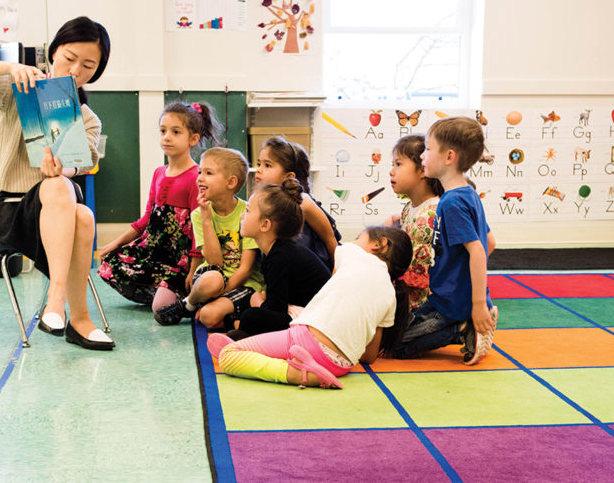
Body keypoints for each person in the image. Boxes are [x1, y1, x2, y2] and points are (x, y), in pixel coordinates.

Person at [0, 16, 114, 350]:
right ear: (54, 52)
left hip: (56, 209)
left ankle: (73, 317)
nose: (75, 71)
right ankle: (65, 308)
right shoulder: (18, 90)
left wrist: (62, 169)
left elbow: (81, 164)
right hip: (9, 210)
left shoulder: (87, 119)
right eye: (69, 58)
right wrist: (10, 68)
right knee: (66, 198)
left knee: (74, 204)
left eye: (87, 66)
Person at [207, 226, 412, 390]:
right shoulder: (390, 296)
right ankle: (295, 363)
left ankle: (292, 373)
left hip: (304, 339)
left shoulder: (351, 253)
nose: (354, 242)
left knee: (228, 357)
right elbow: (369, 357)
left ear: (379, 244)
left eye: (359, 237)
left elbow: (330, 288)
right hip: (340, 365)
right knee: (274, 345)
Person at [97, 101, 222, 324]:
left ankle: (174, 291)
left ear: (193, 139)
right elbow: (146, 219)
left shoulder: (196, 177)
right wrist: (115, 243)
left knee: (160, 308)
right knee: (109, 264)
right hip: (153, 251)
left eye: (175, 132)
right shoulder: (158, 173)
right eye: (163, 131)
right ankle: (160, 289)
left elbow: (198, 228)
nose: (167, 137)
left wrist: (194, 269)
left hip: (179, 259)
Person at [392, 116, 498, 365]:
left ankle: (461, 328)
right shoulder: (467, 194)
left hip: (449, 303)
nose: (422, 157)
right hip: (448, 296)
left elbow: (479, 251)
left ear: (449, 157)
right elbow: (489, 241)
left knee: (395, 345)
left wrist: (478, 304)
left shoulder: (451, 203)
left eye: (427, 150)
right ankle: (463, 322)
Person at [157, 147, 264, 329]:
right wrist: (207, 219)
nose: (200, 178)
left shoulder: (248, 213)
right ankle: (189, 303)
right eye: (200, 171)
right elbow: (214, 262)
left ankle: (203, 307)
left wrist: (221, 295)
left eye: (208, 173)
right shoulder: (199, 214)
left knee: (208, 317)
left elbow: (245, 270)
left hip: (242, 284)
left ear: (230, 182)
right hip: (212, 278)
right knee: (213, 279)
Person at [231, 178, 331, 339]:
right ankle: (243, 333)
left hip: (318, 322)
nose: (243, 215)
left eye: (248, 210)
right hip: (301, 311)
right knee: (246, 309)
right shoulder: (278, 251)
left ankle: (243, 334)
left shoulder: (280, 257)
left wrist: (258, 303)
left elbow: (275, 309)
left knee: (251, 316)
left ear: (265, 225)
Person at [254, 137, 341, 268]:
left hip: (318, 269)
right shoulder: (263, 201)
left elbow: (330, 238)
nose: (259, 170)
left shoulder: (303, 202)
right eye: (259, 163)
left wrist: (336, 274)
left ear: (289, 176)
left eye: (267, 165)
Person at [384, 134, 444, 310]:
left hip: (419, 308)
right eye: (393, 164)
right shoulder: (409, 209)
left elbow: (414, 277)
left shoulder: (427, 218)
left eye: (399, 164)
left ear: (423, 170)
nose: (391, 171)